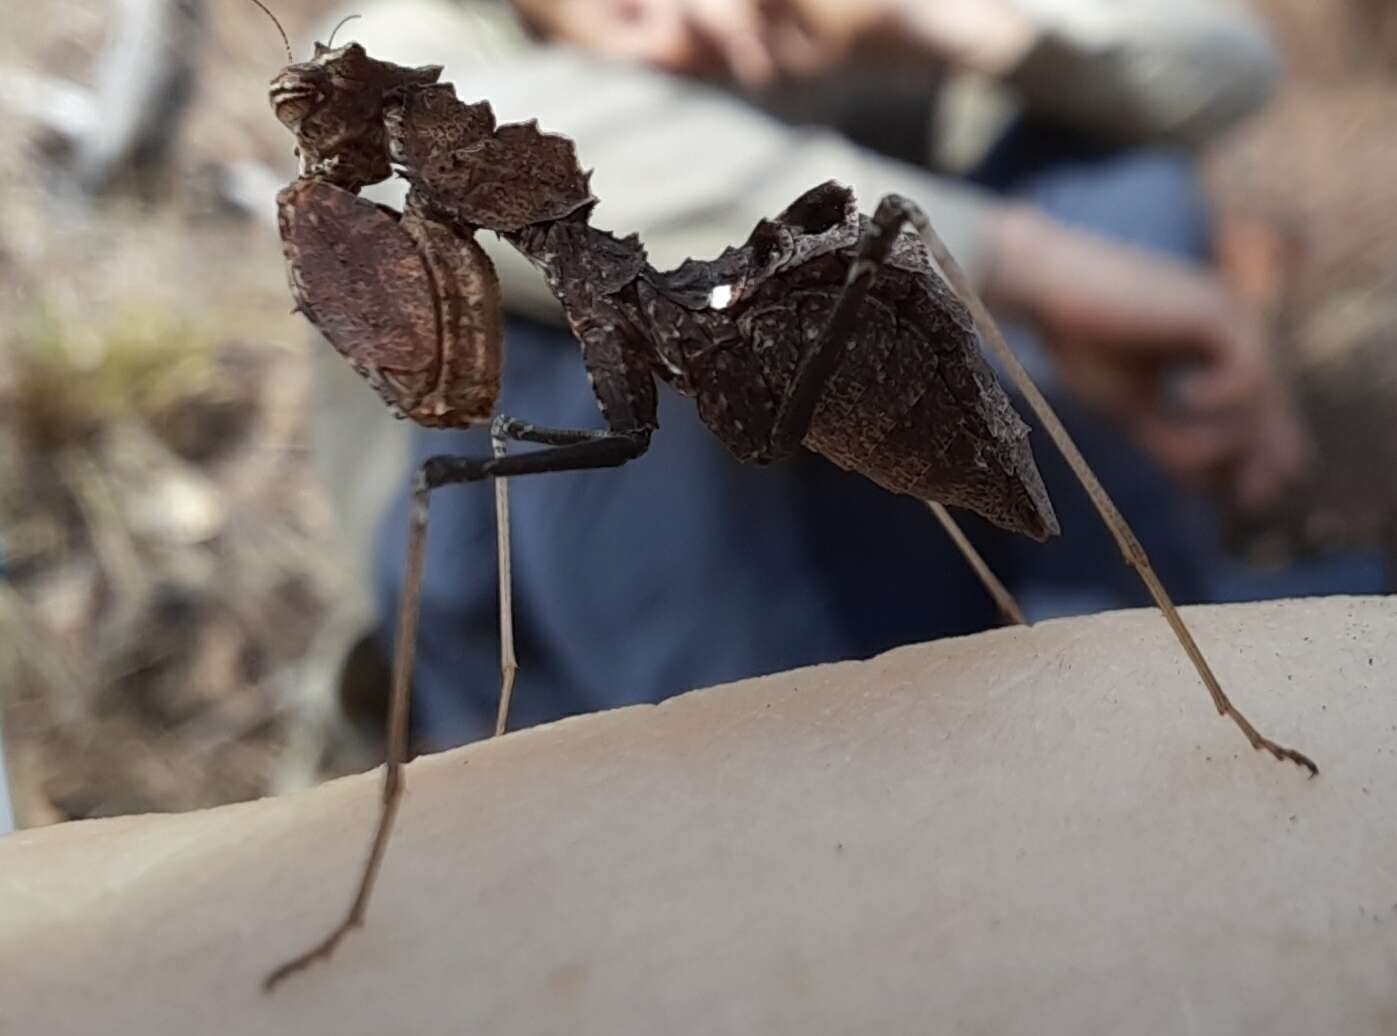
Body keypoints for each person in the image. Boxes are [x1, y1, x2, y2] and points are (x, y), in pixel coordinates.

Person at [316, 0, 1337, 747]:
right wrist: (1026, 262)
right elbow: (411, 124)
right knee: (566, 331)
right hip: (627, 636)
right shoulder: (422, 36)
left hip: (880, 507)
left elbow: (1226, 66)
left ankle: (1148, 670)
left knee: (1116, 181)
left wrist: (928, 21)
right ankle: (732, 779)